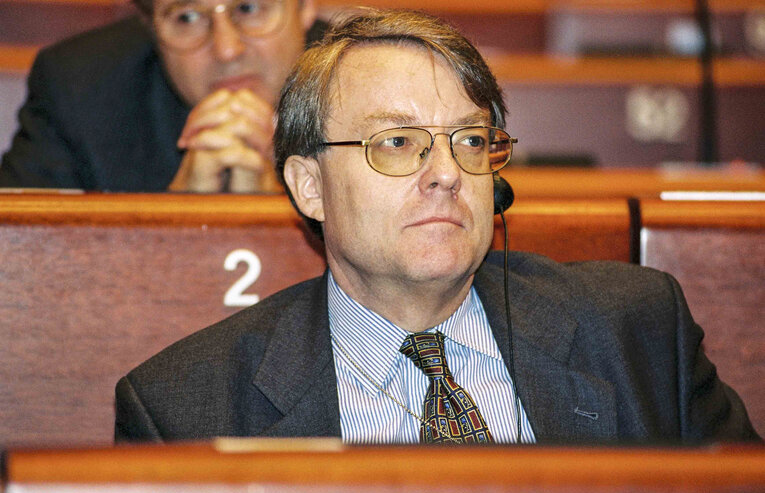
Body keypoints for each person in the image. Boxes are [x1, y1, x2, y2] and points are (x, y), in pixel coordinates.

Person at [115, 9, 759, 444]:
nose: (446, 173)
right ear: (309, 186)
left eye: (470, 140)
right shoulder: (187, 407)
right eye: (396, 142)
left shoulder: (636, 330)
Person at [0, 0, 323, 192]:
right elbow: (19, 259)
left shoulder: (362, 84)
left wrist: (282, 210)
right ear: (151, 27)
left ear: (305, 6)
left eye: (249, 7)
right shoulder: (78, 87)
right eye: (187, 17)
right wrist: (172, 216)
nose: (227, 50)